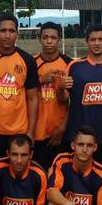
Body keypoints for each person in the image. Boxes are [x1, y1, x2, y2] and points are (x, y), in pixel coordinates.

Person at [62, 25, 102, 175]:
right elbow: (63, 99)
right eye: (93, 39)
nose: (97, 43)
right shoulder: (74, 66)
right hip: (81, 140)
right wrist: (60, 88)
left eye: (100, 39)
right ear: (87, 41)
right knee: (78, 180)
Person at [0, 13, 40, 163]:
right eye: (3, 30)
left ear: (17, 34)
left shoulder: (27, 60)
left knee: (17, 173)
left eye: (11, 31)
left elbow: (33, 98)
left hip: (18, 132)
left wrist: (31, 132)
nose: (7, 35)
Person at [33, 22, 72, 169]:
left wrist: (62, 128)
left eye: (53, 38)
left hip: (60, 132)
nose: (49, 41)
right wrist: (40, 80)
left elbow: (74, 102)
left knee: (59, 174)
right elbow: (21, 94)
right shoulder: (31, 63)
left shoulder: (69, 64)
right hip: (36, 132)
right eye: (45, 37)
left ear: (59, 39)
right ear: (39, 39)